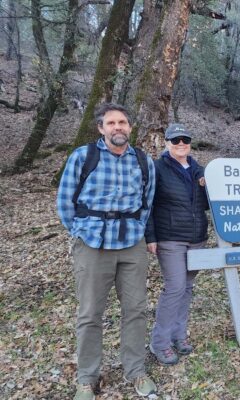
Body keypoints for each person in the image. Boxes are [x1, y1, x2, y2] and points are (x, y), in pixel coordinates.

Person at [56, 103, 157, 400]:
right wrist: (80, 232)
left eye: (123, 122)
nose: (118, 127)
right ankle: (87, 378)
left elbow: (147, 202)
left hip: (131, 245)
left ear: (130, 127)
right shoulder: (82, 157)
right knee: (90, 314)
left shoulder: (143, 161)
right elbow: (64, 202)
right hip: (92, 245)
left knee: (136, 310)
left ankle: (136, 371)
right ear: (101, 128)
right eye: (111, 123)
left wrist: (138, 228)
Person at [145, 124, 209, 365]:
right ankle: (160, 342)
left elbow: (207, 203)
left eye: (185, 139)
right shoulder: (158, 168)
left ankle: (178, 336)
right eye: (175, 140)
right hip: (170, 237)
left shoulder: (198, 169)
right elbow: (147, 203)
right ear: (167, 143)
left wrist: (206, 184)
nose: (181, 143)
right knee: (175, 287)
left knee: (188, 287)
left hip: (197, 237)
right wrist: (150, 236)